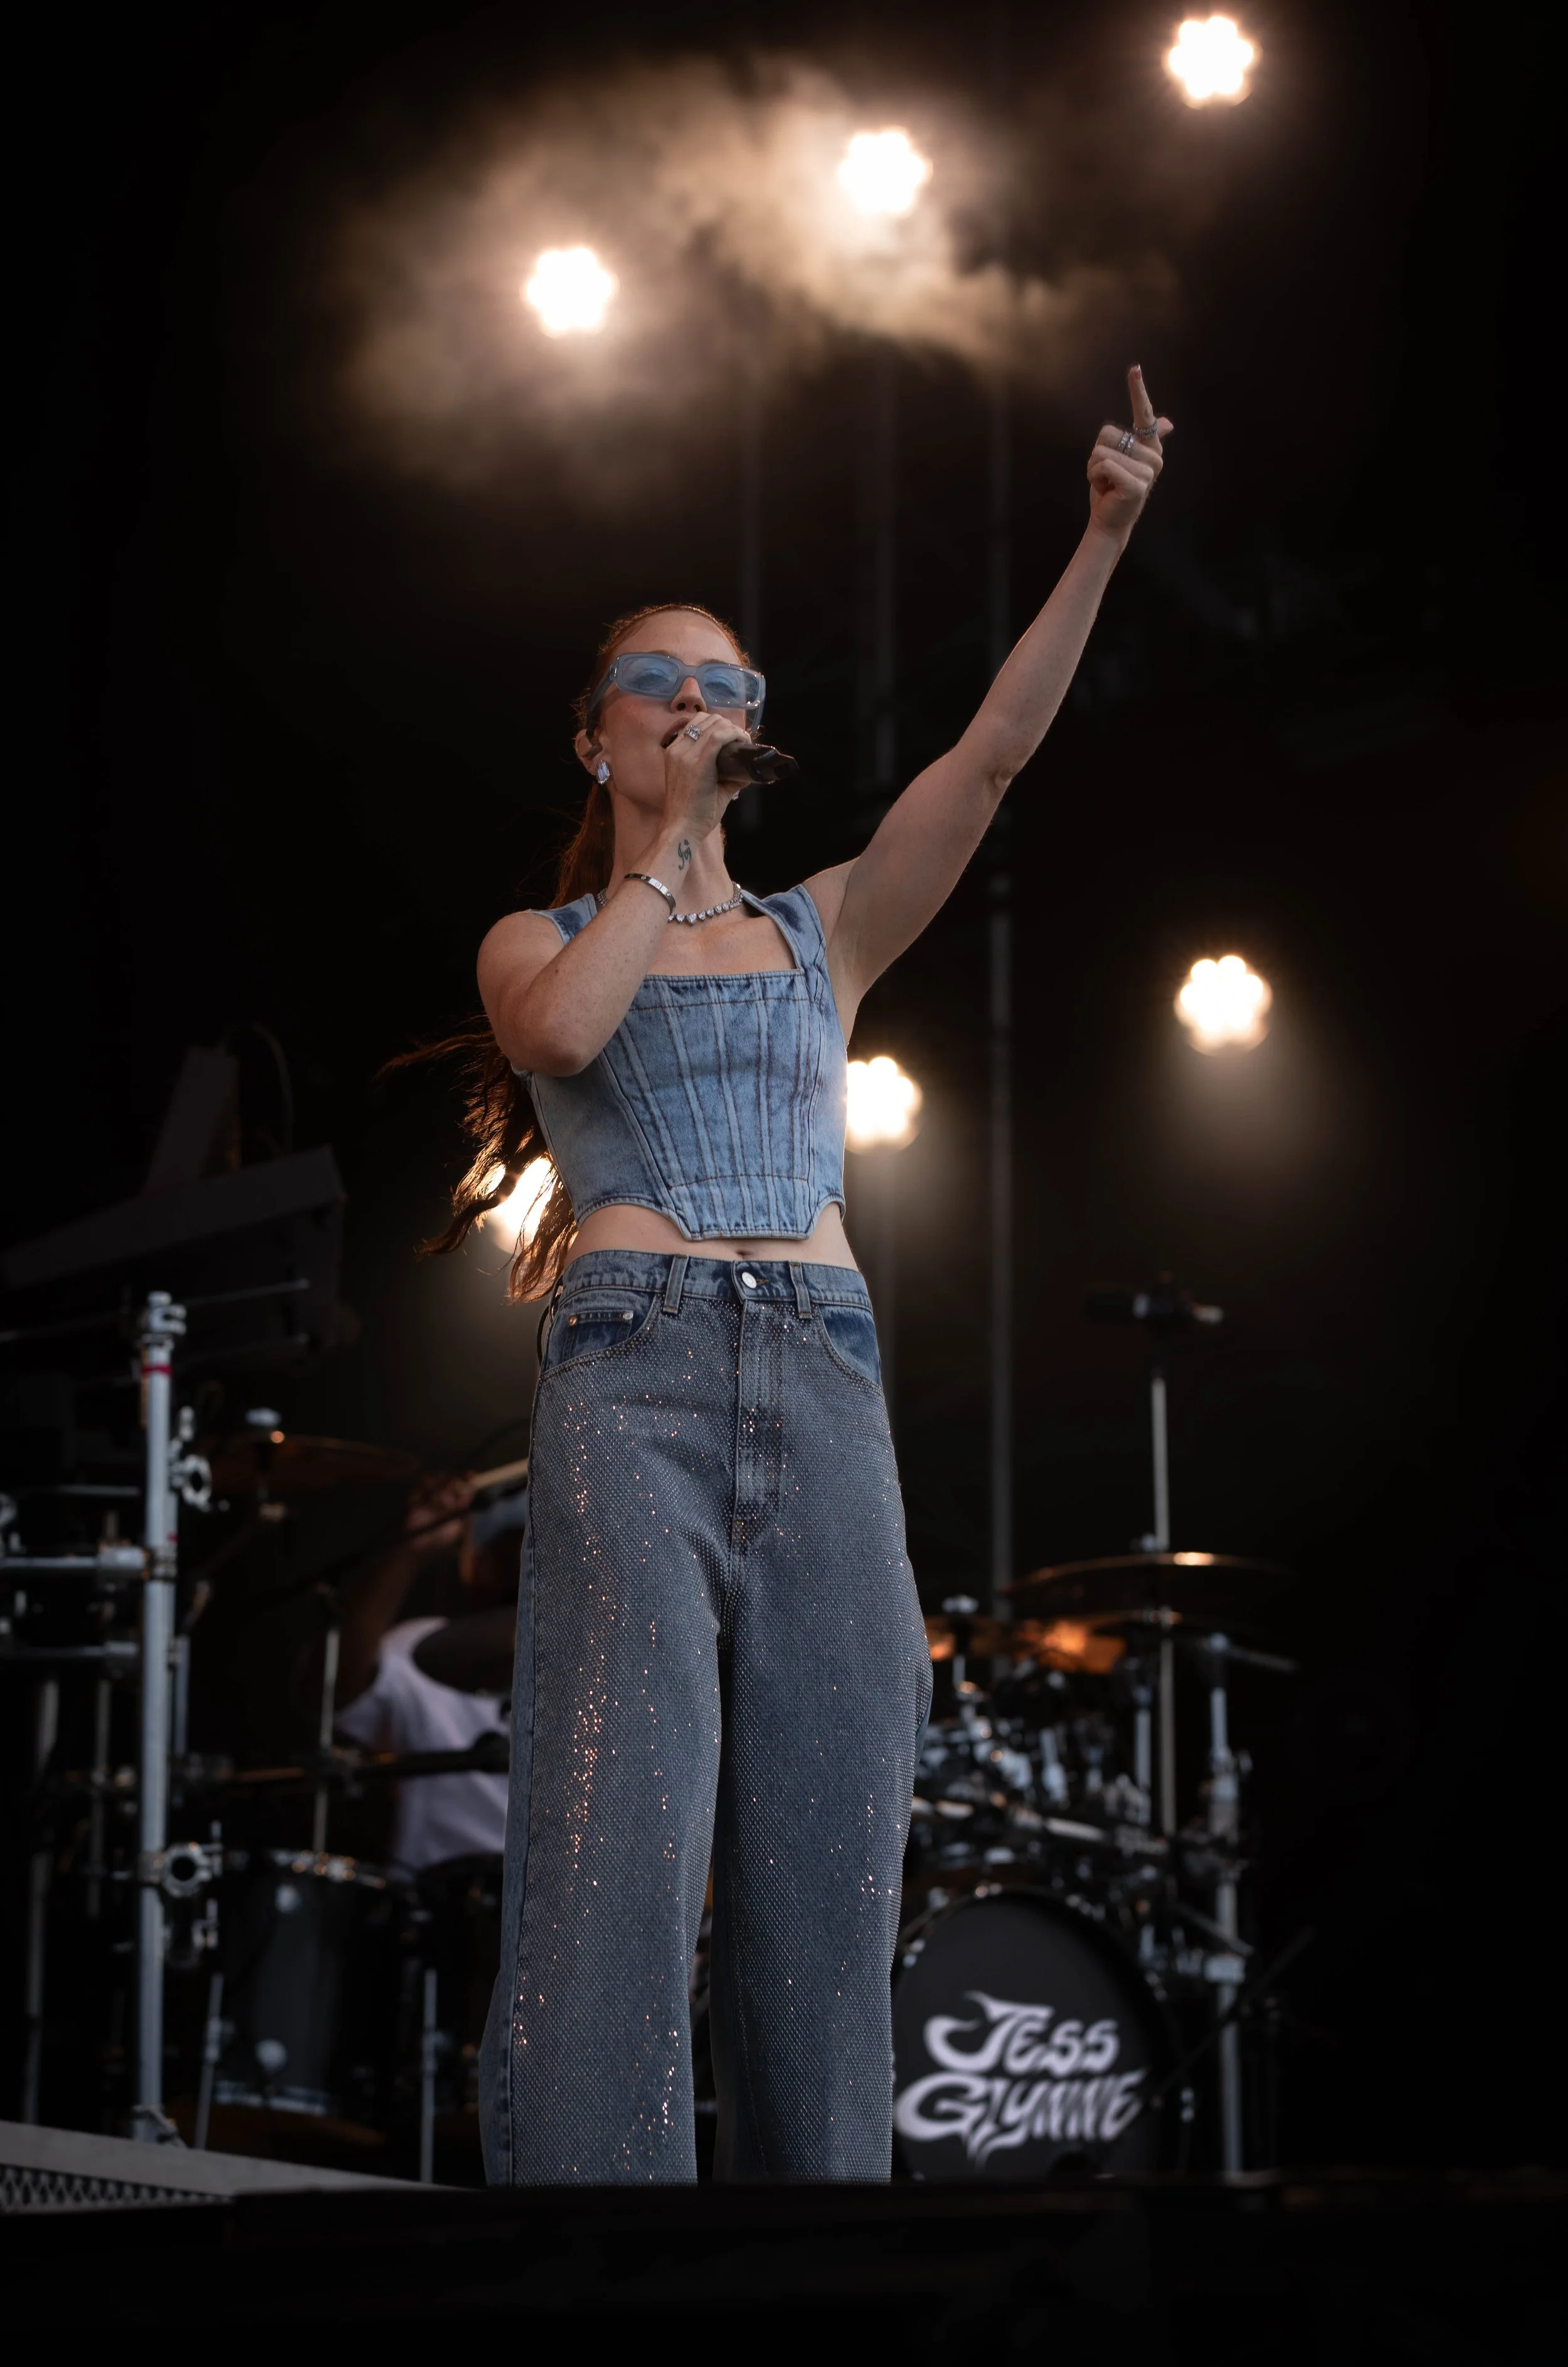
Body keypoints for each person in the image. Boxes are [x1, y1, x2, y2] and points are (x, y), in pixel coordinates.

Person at [420, 368, 1171, 2183]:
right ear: (594, 738)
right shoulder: (538, 934)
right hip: (637, 1368)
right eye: (661, 686)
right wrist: (659, 841)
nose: (702, 706)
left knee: (833, 1843)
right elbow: (572, 1020)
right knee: (620, 1834)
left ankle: (822, 2251)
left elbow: (987, 755)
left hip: (823, 1375)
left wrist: (1104, 534)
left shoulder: (815, 930)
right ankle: (594, 2250)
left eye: (728, 686)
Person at [320, 1476, 528, 1875]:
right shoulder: (421, 1649)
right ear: (478, 1565)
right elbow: (331, 1694)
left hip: (567, 1916)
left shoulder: (611, 1672)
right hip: (435, 1911)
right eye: (526, 1546)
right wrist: (410, 1549)